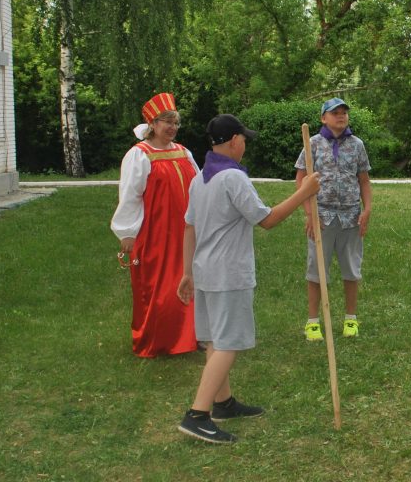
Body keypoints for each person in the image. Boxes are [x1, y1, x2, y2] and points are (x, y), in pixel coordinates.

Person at [176, 114, 321, 444]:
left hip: (205, 271)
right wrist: (305, 191)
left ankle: (222, 402)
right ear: (233, 142)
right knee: (229, 343)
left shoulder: (200, 179)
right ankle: (198, 414)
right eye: (243, 139)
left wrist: (187, 272)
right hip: (229, 273)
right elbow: (267, 220)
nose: (244, 144)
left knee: (215, 338)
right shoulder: (232, 179)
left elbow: (189, 227)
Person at [110, 92, 200, 358]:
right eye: (166, 122)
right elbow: (130, 195)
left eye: (175, 122)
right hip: (157, 231)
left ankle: (191, 336)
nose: (172, 128)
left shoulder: (184, 152)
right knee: (160, 285)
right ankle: (158, 340)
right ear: (153, 124)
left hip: (185, 230)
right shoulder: (139, 155)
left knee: (191, 278)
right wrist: (126, 232)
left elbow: (197, 186)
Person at [294, 98, 372, 341]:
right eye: (334, 113)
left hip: (350, 216)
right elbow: (300, 180)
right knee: (317, 269)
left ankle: (350, 319)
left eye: (344, 113)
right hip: (322, 216)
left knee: (351, 268)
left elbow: (364, 180)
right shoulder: (313, 144)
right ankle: (313, 322)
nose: (340, 117)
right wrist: (309, 212)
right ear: (323, 118)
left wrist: (367, 209)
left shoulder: (357, 145)